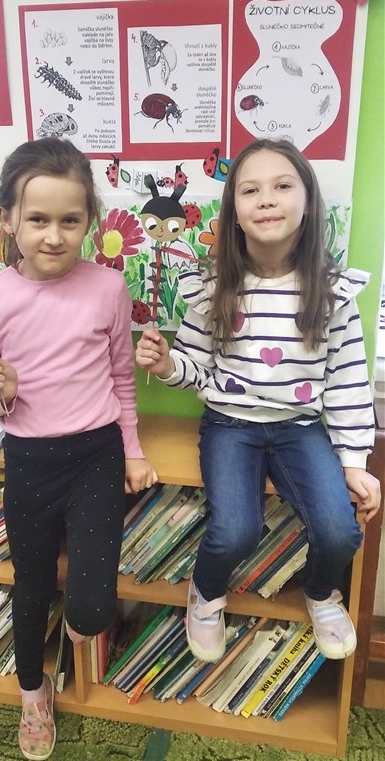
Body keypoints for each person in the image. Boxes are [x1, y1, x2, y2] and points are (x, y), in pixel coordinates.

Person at [136, 137, 380, 666]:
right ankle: (205, 592)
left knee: (340, 531)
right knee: (234, 531)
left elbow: (347, 382)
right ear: (234, 213)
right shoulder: (213, 286)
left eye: (282, 185)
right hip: (229, 425)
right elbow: (196, 369)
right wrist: (167, 366)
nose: (266, 198)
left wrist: (355, 462)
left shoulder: (333, 291)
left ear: (307, 202)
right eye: (250, 190)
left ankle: (321, 593)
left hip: (300, 427)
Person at [0, 137, 157, 761]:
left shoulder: (107, 287)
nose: (54, 236)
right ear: (7, 220)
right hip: (29, 459)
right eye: (38, 220)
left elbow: (122, 377)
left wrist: (132, 450)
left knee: (92, 608)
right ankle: (33, 691)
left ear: (90, 221)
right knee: (31, 584)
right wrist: (0, 393)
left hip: (97, 455)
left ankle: (84, 632)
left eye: (70, 220)